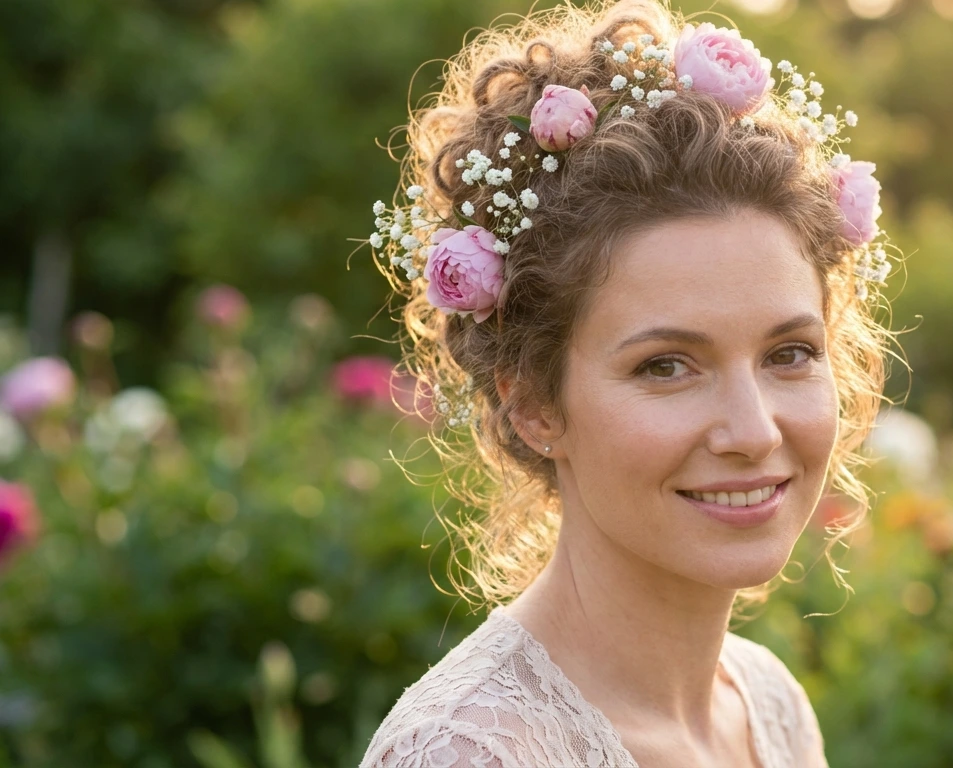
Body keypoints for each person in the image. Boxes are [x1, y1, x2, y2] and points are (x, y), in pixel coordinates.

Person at [359, 1, 892, 765]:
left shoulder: (768, 706)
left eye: (789, 353)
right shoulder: (473, 754)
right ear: (533, 405)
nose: (753, 431)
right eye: (665, 366)